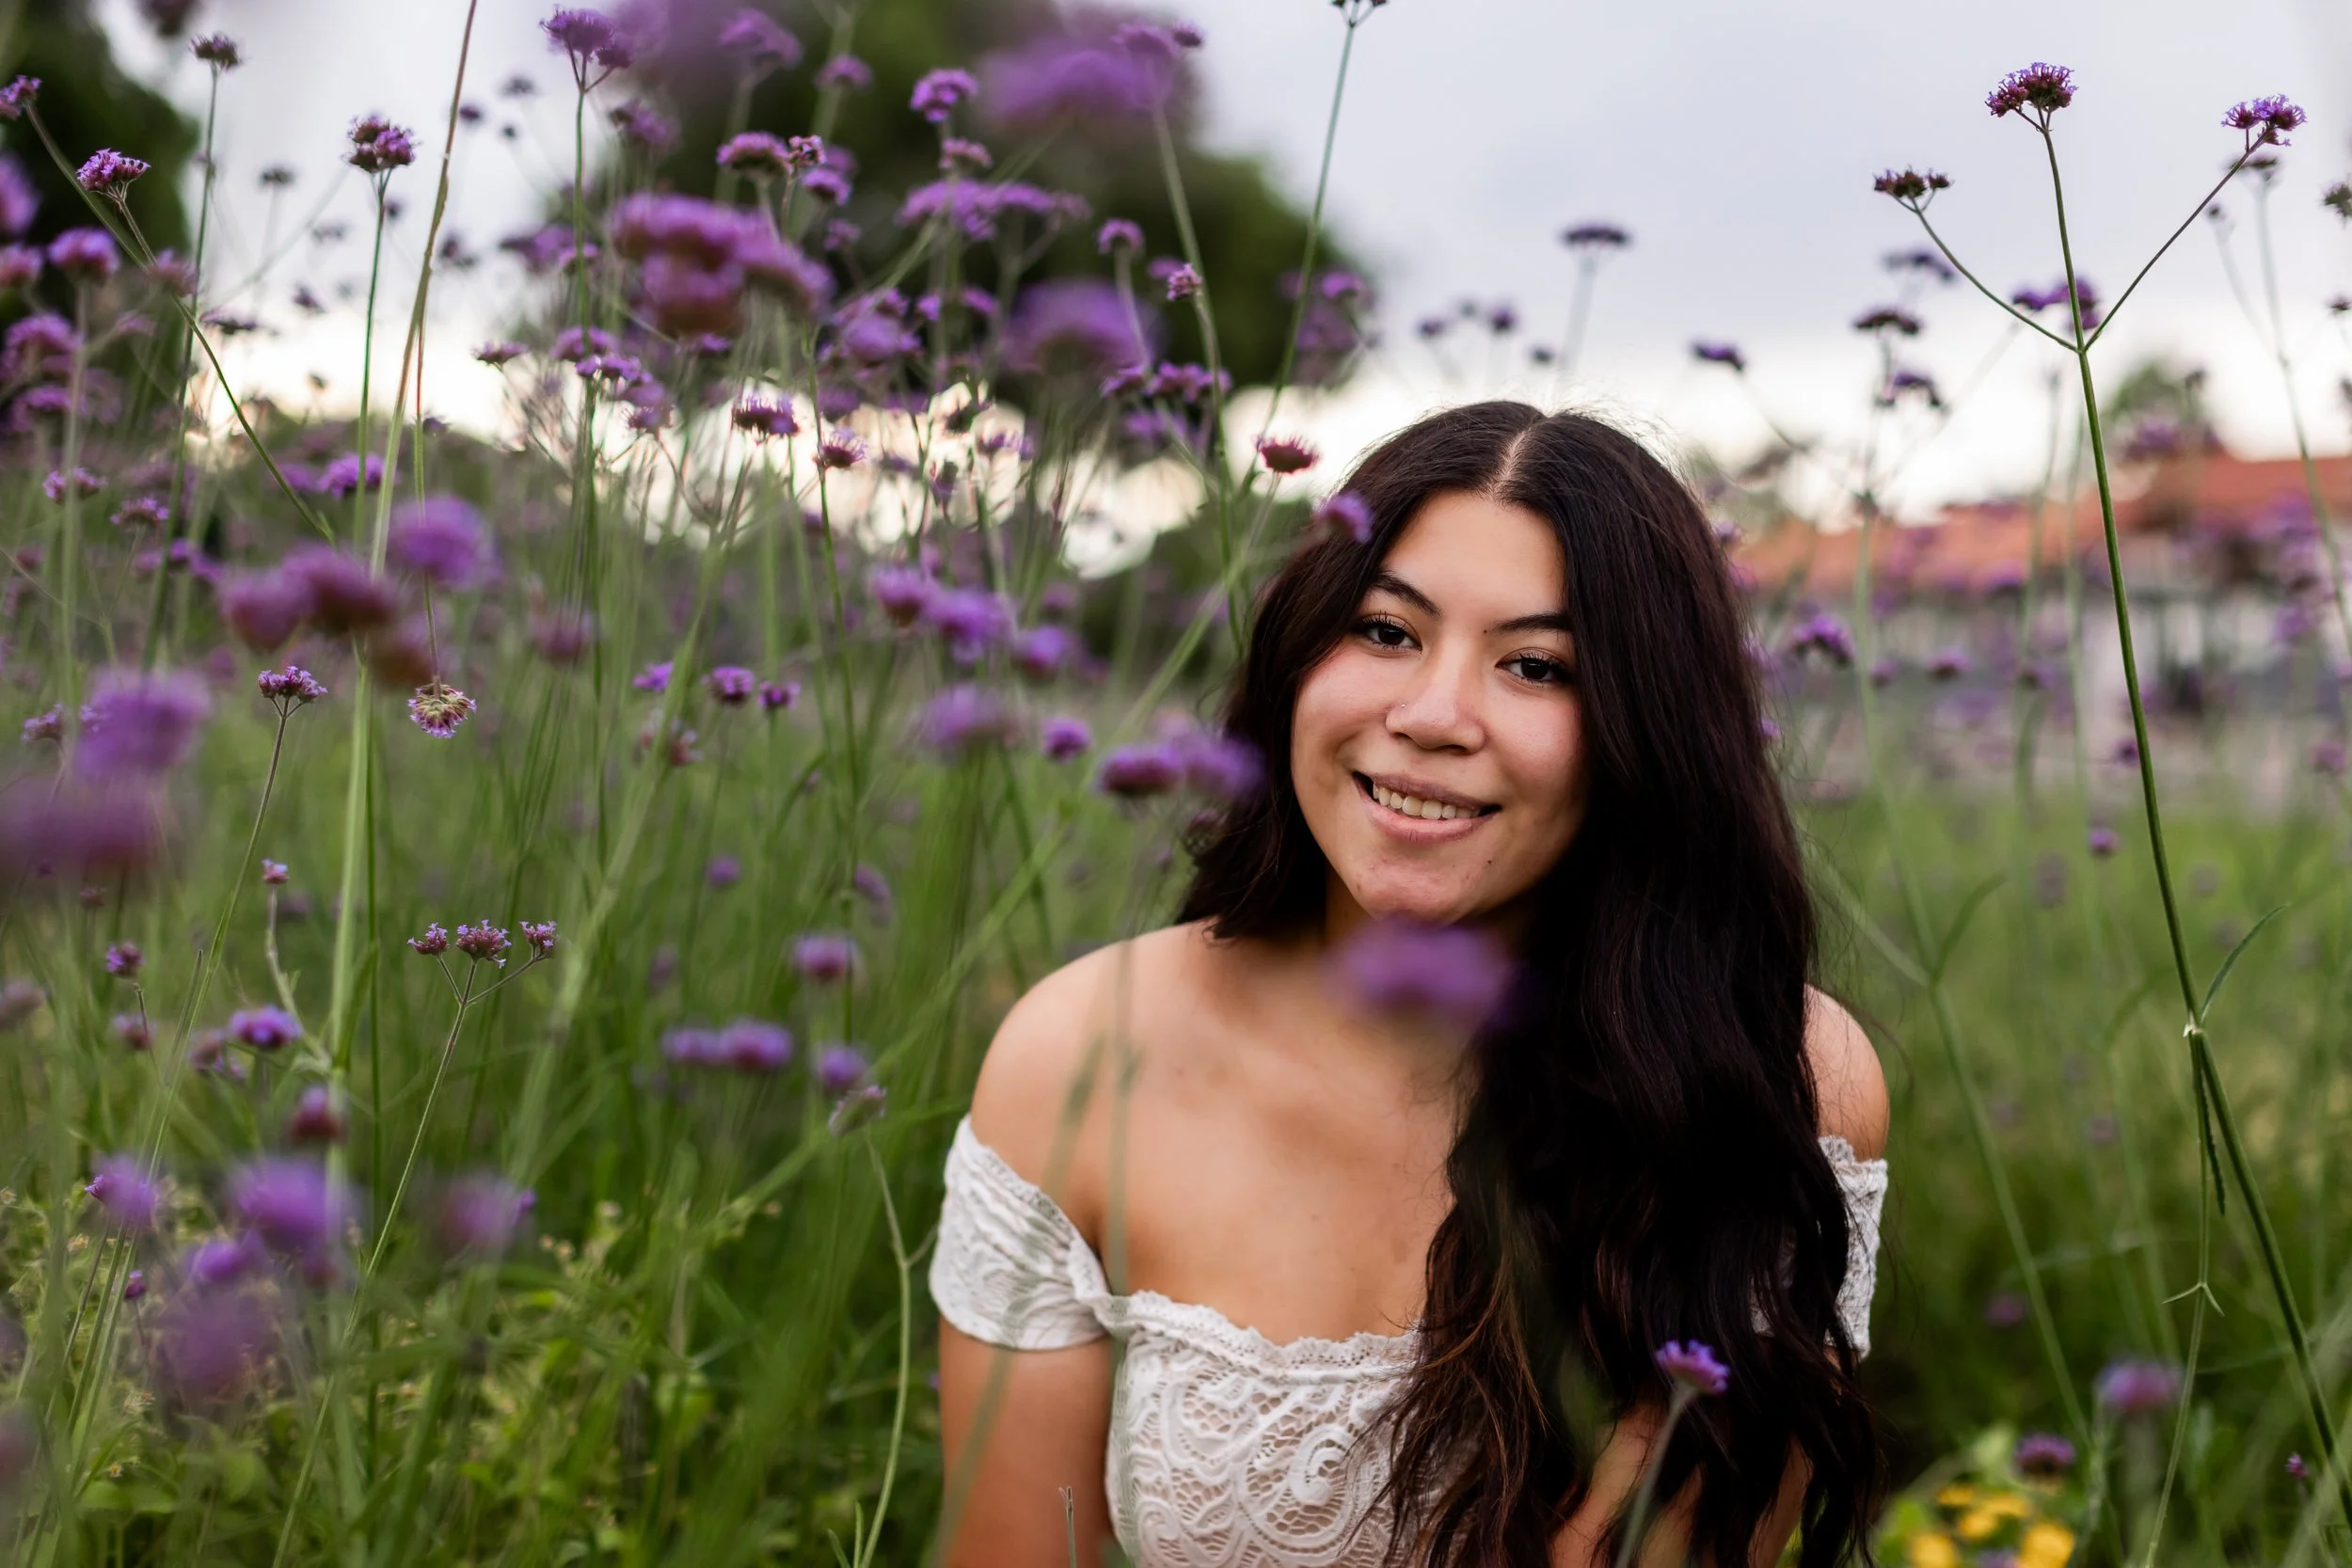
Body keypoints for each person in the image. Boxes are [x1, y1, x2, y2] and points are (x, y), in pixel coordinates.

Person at [930, 403, 1890, 1567]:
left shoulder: (1771, 1077)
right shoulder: (1083, 1054)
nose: (1431, 716)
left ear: (1644, 732)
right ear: (1298, 656)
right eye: (1386, 631)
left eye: (1535, 665)